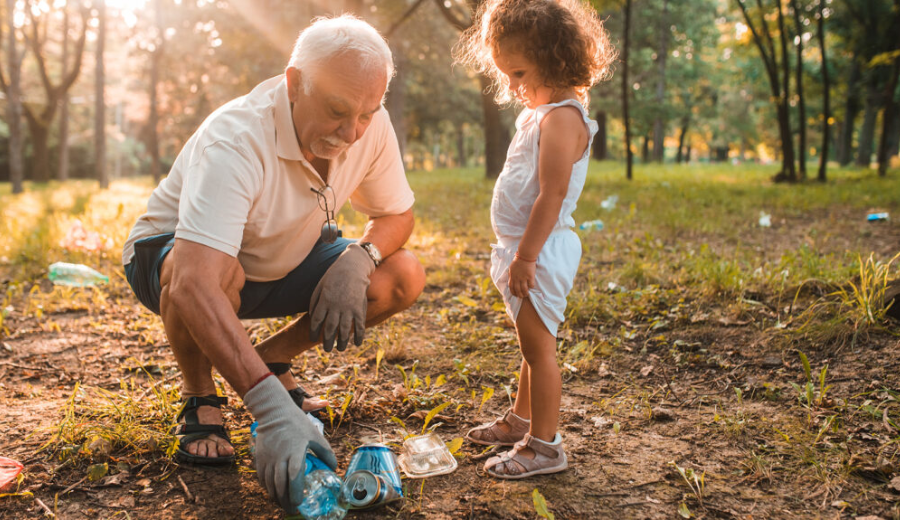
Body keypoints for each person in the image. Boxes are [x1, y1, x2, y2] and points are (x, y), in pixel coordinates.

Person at [121, 15, 425, 510]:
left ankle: (269, 359)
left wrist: (360, 257)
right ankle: (201, 398)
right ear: (294, 83)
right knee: (201, 272)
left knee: (402, 273)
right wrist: (270, 409)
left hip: (283, 257)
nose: (352, 132)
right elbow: (195, 283)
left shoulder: (369, 126)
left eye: (368, 113)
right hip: (175, 261)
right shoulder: (236, 137)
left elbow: (397, 213)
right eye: (337, 110)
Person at [455, 0, 614, 478]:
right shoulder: (543, 112)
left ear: (553, 57)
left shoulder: (562, 117)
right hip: (523, 251)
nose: (511, 85)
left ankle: (545, 447)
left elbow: (552, 194)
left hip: (538, 252)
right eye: (505, 74)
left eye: (519, 72)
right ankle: (521, 420)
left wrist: (525, 257)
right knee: (531, 345)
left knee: (539, 352)